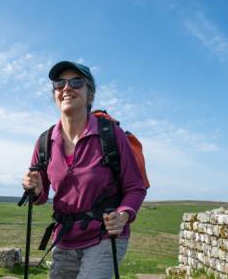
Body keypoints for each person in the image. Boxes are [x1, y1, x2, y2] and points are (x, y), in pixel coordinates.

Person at [22, 61, 147, 278]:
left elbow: (135, 187)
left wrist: (123, 215)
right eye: (60, 84)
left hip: (105, 236)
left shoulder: (110, 135)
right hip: (65, 238)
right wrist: (33, 188)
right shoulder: (45, 141)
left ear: (89, 95)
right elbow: (40, 196)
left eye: (76, 82)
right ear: (55, 95)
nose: (66, 88)